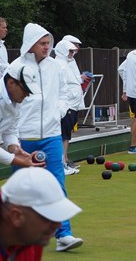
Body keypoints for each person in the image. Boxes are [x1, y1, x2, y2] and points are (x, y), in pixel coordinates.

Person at [8, 23, 84, 251]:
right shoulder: (15, 67)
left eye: (48, 43)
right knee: (21, 188)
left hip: (51, 135)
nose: (46, 47)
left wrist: (58, 111)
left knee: (57, 185)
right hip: (24, 137)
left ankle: (64, 235)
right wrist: (14, 135)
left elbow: (63, 94)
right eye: (42, 43)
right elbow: (8, 101)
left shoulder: (56, 66)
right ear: (30, 43)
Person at [0, 167, 82, 260]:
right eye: (47, 217)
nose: (58, 224)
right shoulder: (33, 234)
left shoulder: (32, 236)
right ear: (16, 217)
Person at [0, 62, 44, 195]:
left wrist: (15, 149)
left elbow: (10, 130)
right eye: (25, 89)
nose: (27, 95)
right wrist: (20, 161)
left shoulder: (16, 100)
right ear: (11, 83)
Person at [54, 40, 84, 175]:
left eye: (73, 51)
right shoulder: (59, 65)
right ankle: (61, 165)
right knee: (63, 136)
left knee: (66, 136)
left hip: (72, 105)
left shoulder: (66, 64)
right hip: (66, 106)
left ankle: (64, 163)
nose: (72, 54)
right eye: (70, 51)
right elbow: (61, 87)